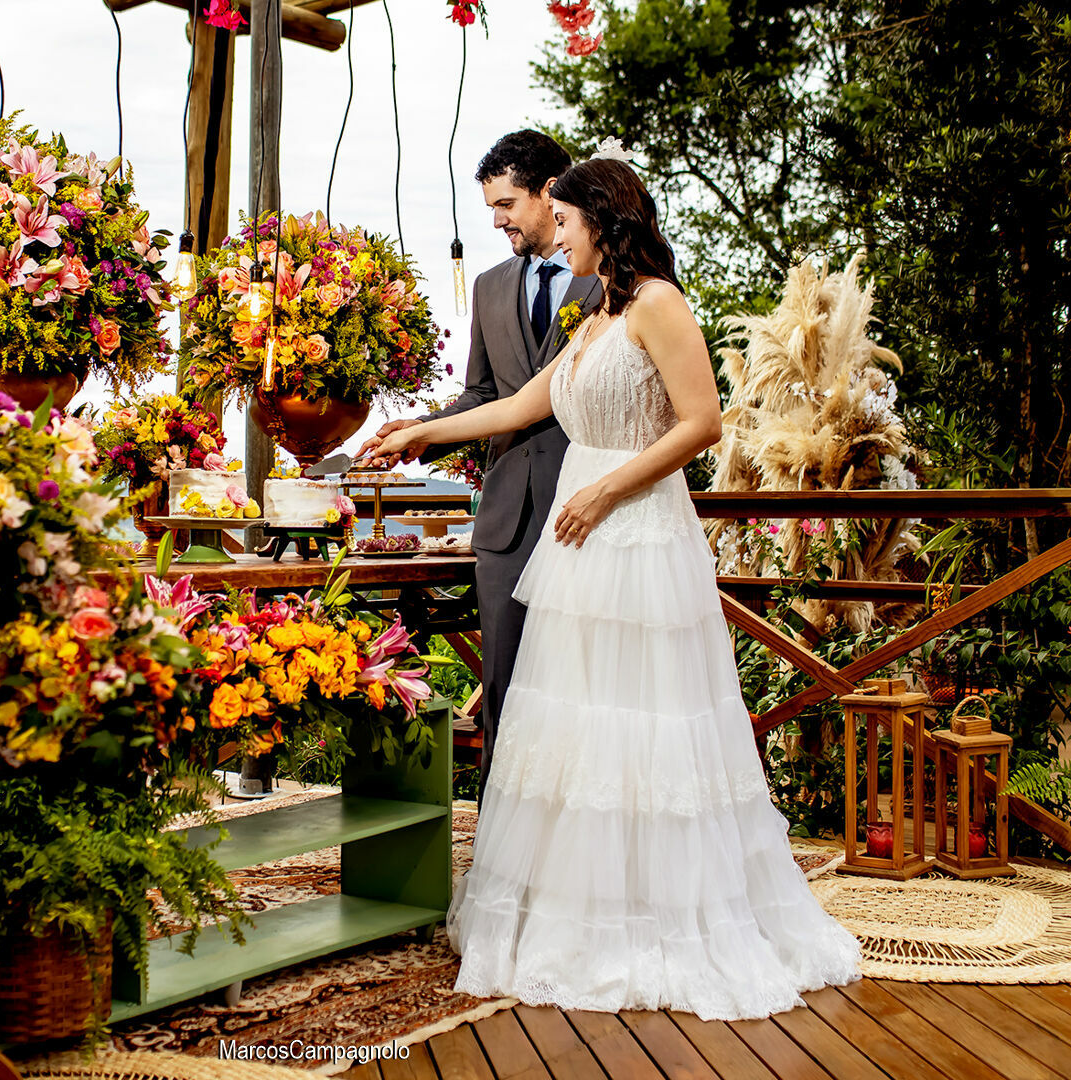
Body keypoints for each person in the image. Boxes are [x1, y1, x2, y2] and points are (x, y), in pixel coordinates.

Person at [360, 152, 859, 1018]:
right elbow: (519, 407)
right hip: (578, 543)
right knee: (575, 721)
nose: (556, 236)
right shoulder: (595, 315)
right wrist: (419, 433)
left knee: (642, 720)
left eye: (565, 221)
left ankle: (656, 918)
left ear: (602, 220)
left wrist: (603, 491)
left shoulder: (660, 304)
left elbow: (701, 423)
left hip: (634, 533)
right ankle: (574, 911)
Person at [360, 130, 602, 795]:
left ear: (549, 193)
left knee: (587, 685)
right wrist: (422, 431)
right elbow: (484, 395)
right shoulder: (492, 287)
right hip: (507, 524)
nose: (496, 222)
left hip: (588, 509)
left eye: (505, 205)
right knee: (503, 688)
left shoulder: (609, 279)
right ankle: (500, 831)